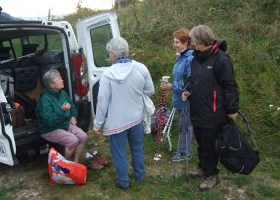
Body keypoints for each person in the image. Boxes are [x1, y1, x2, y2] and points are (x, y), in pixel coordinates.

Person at [182, 25, 239, 191]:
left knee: (209, 145)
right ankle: (202, 168)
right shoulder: (195, 58)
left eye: (193, 40)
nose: (191, 43)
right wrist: (187, 90)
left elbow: (230, 86)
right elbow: (192, 80)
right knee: (201, 143)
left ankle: (212, 175)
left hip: (214, 112)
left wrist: (232, 109)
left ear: (201, 41)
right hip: (197, 109)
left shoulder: (221, 59)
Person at [93, 37, 154, 189]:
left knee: (119, 152)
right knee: (137, 148)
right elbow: (150, 91)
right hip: (136, 118)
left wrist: (98, 124)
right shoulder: (140, 68)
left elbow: (102, 102)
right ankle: (140, 176)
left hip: (116, 122)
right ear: (126, 51)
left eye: (109, 53)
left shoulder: (107, 75)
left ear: (113, 54)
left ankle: (123, 181)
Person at [36, 69, 88, 163]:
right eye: (58, 78)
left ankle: (75, 162)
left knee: (83, 136)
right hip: (50, 129)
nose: (62, 80)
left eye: (60, 77)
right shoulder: (45, 99)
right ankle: (66, 164)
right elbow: (49, 121)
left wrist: (73, 116)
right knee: (73, 141)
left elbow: (72, 106)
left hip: (64, 124)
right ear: (51, 85)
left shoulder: (62, 93)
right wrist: (62, 110)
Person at [160, 28, 194, 162]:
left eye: (177, 42)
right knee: (182, 126)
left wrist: (172, 87)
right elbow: (180, 78)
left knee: (186, 126)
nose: (174, 45)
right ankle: (182, 151)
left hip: (187, 99)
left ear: (186, 43)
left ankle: (185, 153)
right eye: (174, 42)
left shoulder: (190, 59)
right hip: (179, 98)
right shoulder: (180, 57)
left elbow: (190, 82)